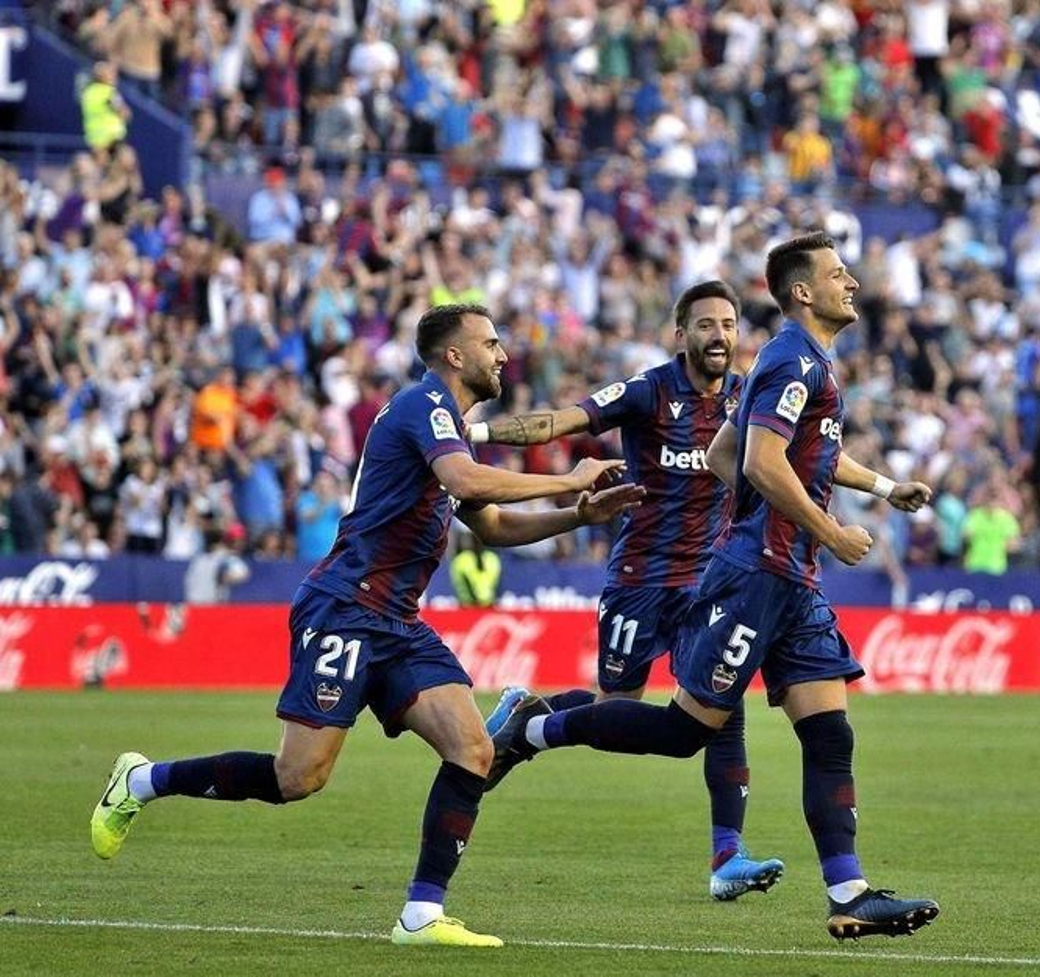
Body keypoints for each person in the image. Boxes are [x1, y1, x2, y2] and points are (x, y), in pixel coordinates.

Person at [89, 304, 643, 948]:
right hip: (345, 608)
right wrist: (564, 474)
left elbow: (489, 526)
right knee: (298, 778)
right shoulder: (424, 407)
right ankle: (141, 780)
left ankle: (421, 916)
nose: (502, 354)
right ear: (454, 355)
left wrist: (578, 513)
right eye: (490, 343)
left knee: (474, 751)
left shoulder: (451, 428)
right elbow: (465, 480)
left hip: (397, 621)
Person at [486, 234, 942, 941]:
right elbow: (758, 459)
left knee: (830, 733)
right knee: (681, 731)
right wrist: (820, 528)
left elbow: (727, 451)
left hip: (788, 578)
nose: (851, 281)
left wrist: (863, 494)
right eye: (836, 273)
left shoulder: (790, 365)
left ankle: (847, 890)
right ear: (801, 292)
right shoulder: (790, 362)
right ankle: (537, 728)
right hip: (754, 574)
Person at [470, 280, 785, 900]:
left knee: (723, 715)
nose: (718, 335)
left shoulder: (748, 400)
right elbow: (562, 421)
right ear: (681, 335)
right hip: (641, 578)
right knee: (615, 706)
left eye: (727, 325)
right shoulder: (648, 391)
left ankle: (727, 858)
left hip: (711, 583)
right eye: (705, 325)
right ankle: (532, 717)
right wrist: (472, 437)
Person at [449, 532, 501, 607]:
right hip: (486, 605)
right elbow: (497, 584)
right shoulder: (492, 558)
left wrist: (474, 601)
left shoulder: (461, 559)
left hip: (469, 606)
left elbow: (464, 582)